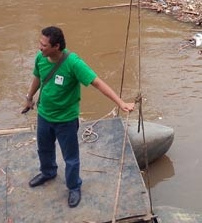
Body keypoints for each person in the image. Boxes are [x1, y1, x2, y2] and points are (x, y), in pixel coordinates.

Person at [23, 26, 135, 208]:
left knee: (71, 158)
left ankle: (74, 186)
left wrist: (120, 103)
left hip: (66, 120)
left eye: (44, 45)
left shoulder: (73, 63)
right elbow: (37, 78)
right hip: (44, 115)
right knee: (44, 149)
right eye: (39, 43)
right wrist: (29, 99)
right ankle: (48, 172)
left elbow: (97, 83)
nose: (39, 47)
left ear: (56, 46)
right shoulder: (40, 58)